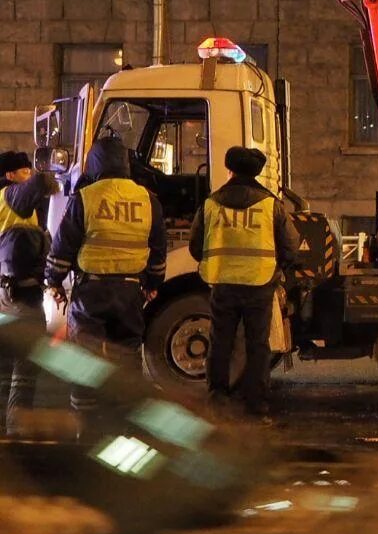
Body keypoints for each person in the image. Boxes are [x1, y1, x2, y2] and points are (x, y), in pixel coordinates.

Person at [45, 137, 166, 439]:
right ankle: (126, 426)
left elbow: (63, 248)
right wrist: (152, 285)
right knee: (127, 355)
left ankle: (86, 429)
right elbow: (158, 251)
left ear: (94, 164)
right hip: (129, 292)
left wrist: (54, 281)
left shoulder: (85, 197)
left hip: (91, 293)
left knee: (85, 359)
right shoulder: (148, 199)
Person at [189, 147, 298, 422]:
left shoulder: (211, 203)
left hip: (223, 283)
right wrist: (278, 269)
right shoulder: (271, 205)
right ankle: (256, 402)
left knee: (221, 340)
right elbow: (291, 246)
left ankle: (217, 398)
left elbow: (195, 246)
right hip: (259, 283)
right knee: (257, 344)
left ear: (230, 170)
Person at [0, 151, 57, 437]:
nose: (29, 176)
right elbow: (43, 182)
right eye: (24, 171)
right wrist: (53, 177)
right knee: (25, 360)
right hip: (21, 294)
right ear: (10, 175)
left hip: (4, 292)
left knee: (5, 361)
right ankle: (16, 427)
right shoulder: (11, 195)